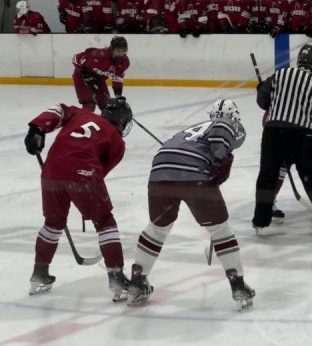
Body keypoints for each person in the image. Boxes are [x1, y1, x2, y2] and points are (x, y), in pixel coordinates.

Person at [127, 99, 255, 310]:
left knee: (158, 229)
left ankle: (138, 281)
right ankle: (238, 284)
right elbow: (222, 132)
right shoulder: (229, 124)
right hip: (193, 176)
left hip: (160, 173)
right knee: (221, 230)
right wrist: (219, 161)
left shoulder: (193, 128)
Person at [25, 97, 133, 301]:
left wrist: (37, 129)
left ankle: (39, 274)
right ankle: (117, 277)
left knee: (52, 224)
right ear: (121, 122)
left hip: (51, 172)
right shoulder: (117, 142)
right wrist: (86, 203)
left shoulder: (81, 114)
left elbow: (58, 108)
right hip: (83, 174)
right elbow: (99, 173)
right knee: (105, 222)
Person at [254, 45, 312, 234]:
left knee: (267, 176)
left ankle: (260, 219)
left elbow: (263, 103)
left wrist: (262, 91)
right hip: (301, 136)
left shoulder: (279, 74)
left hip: (273, 133)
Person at [71, 36, 130, 112]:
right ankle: (85, 121)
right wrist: (85, 75)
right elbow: (76, 58)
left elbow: (117, 78)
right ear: (112, 49)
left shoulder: (124, 62)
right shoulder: (98, 56)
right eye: (118, 51)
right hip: (81, 78)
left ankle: (105, 123)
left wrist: (118, 96)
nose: (121, 54)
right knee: (89, 104)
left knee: (107, 105)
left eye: (124, 51)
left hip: (99, 80)